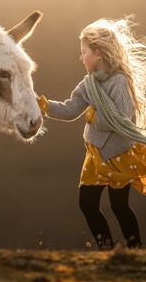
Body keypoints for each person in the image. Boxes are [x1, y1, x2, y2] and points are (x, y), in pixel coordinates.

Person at [37, 15, 146, 250]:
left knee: (119, 205)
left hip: (119, 154)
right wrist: (43, 105)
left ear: (98, 53)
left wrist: (94, 117)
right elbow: (69, 109)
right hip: (95, 155)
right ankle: (107, 249)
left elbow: (122, 117)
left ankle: (136, 251)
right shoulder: (89, 83)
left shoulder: (120, 81)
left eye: (84, 51)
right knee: (87, 203)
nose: (80, 57)